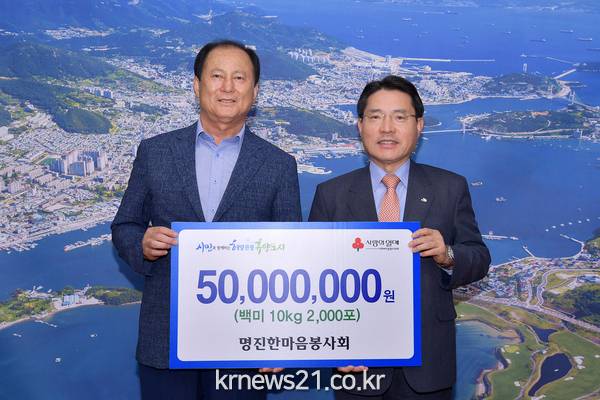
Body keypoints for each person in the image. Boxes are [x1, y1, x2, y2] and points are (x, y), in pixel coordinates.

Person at [111, 39, 301, 400]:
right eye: (217, 76)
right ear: (197, 85)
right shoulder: (155, 152)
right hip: (166, 340)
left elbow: (291, 257)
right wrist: (142, 244)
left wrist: (280, 340)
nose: (227, 87)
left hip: (246, 345)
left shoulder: (279, 165)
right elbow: (125, 226)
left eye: (239, 78)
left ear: (255, 92)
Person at [309, 75, 490, 399]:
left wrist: (447, 254)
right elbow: (314, 279)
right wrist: (333, 344)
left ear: (419, 125)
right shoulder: (331, 194)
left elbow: (479, 257)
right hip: (356, 364)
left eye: (399, 117)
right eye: (376, 117)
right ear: (360, 126)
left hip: (428, 365)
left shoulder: (450, 188)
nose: (387, 128)